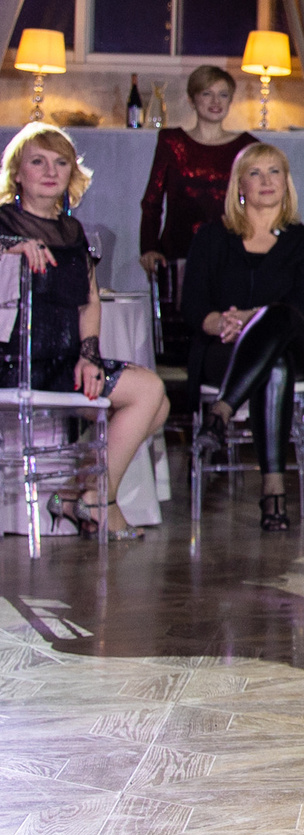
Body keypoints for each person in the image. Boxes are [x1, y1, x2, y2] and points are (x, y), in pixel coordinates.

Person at [0, 124, 170, 538]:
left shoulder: (73, 232)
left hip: (62, 360)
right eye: (37, 161)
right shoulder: (2, 221)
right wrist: (9, 248)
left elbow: (89, 301)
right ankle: (97, 500)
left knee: (158, 405)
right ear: (17, 173)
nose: (50, 170)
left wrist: (89, 355)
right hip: (15, 360)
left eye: (61, 163)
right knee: (148, 391)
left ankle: (83, 494)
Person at [182, 144, 304, 530]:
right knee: (273, 365)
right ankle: (273, 490)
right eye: (255, 173)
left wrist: (249, 319)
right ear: (240, 184)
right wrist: (219, 323)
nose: (266, 181)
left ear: (286, 182)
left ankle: (221, 413)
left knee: (279, 318)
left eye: (274, 172)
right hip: (225, 350)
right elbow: (193, 305)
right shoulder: (212, 238)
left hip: (298, 344)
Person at [138, 64, 255, 284]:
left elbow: (256, 203)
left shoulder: (247, 146)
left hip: (230, 255)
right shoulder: (171, 142)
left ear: (230, 101)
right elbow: (152, 201)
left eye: (223, 95)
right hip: (178, 254)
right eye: (207, 94)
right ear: (192, 100)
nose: (215, 102)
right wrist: (149, 248)